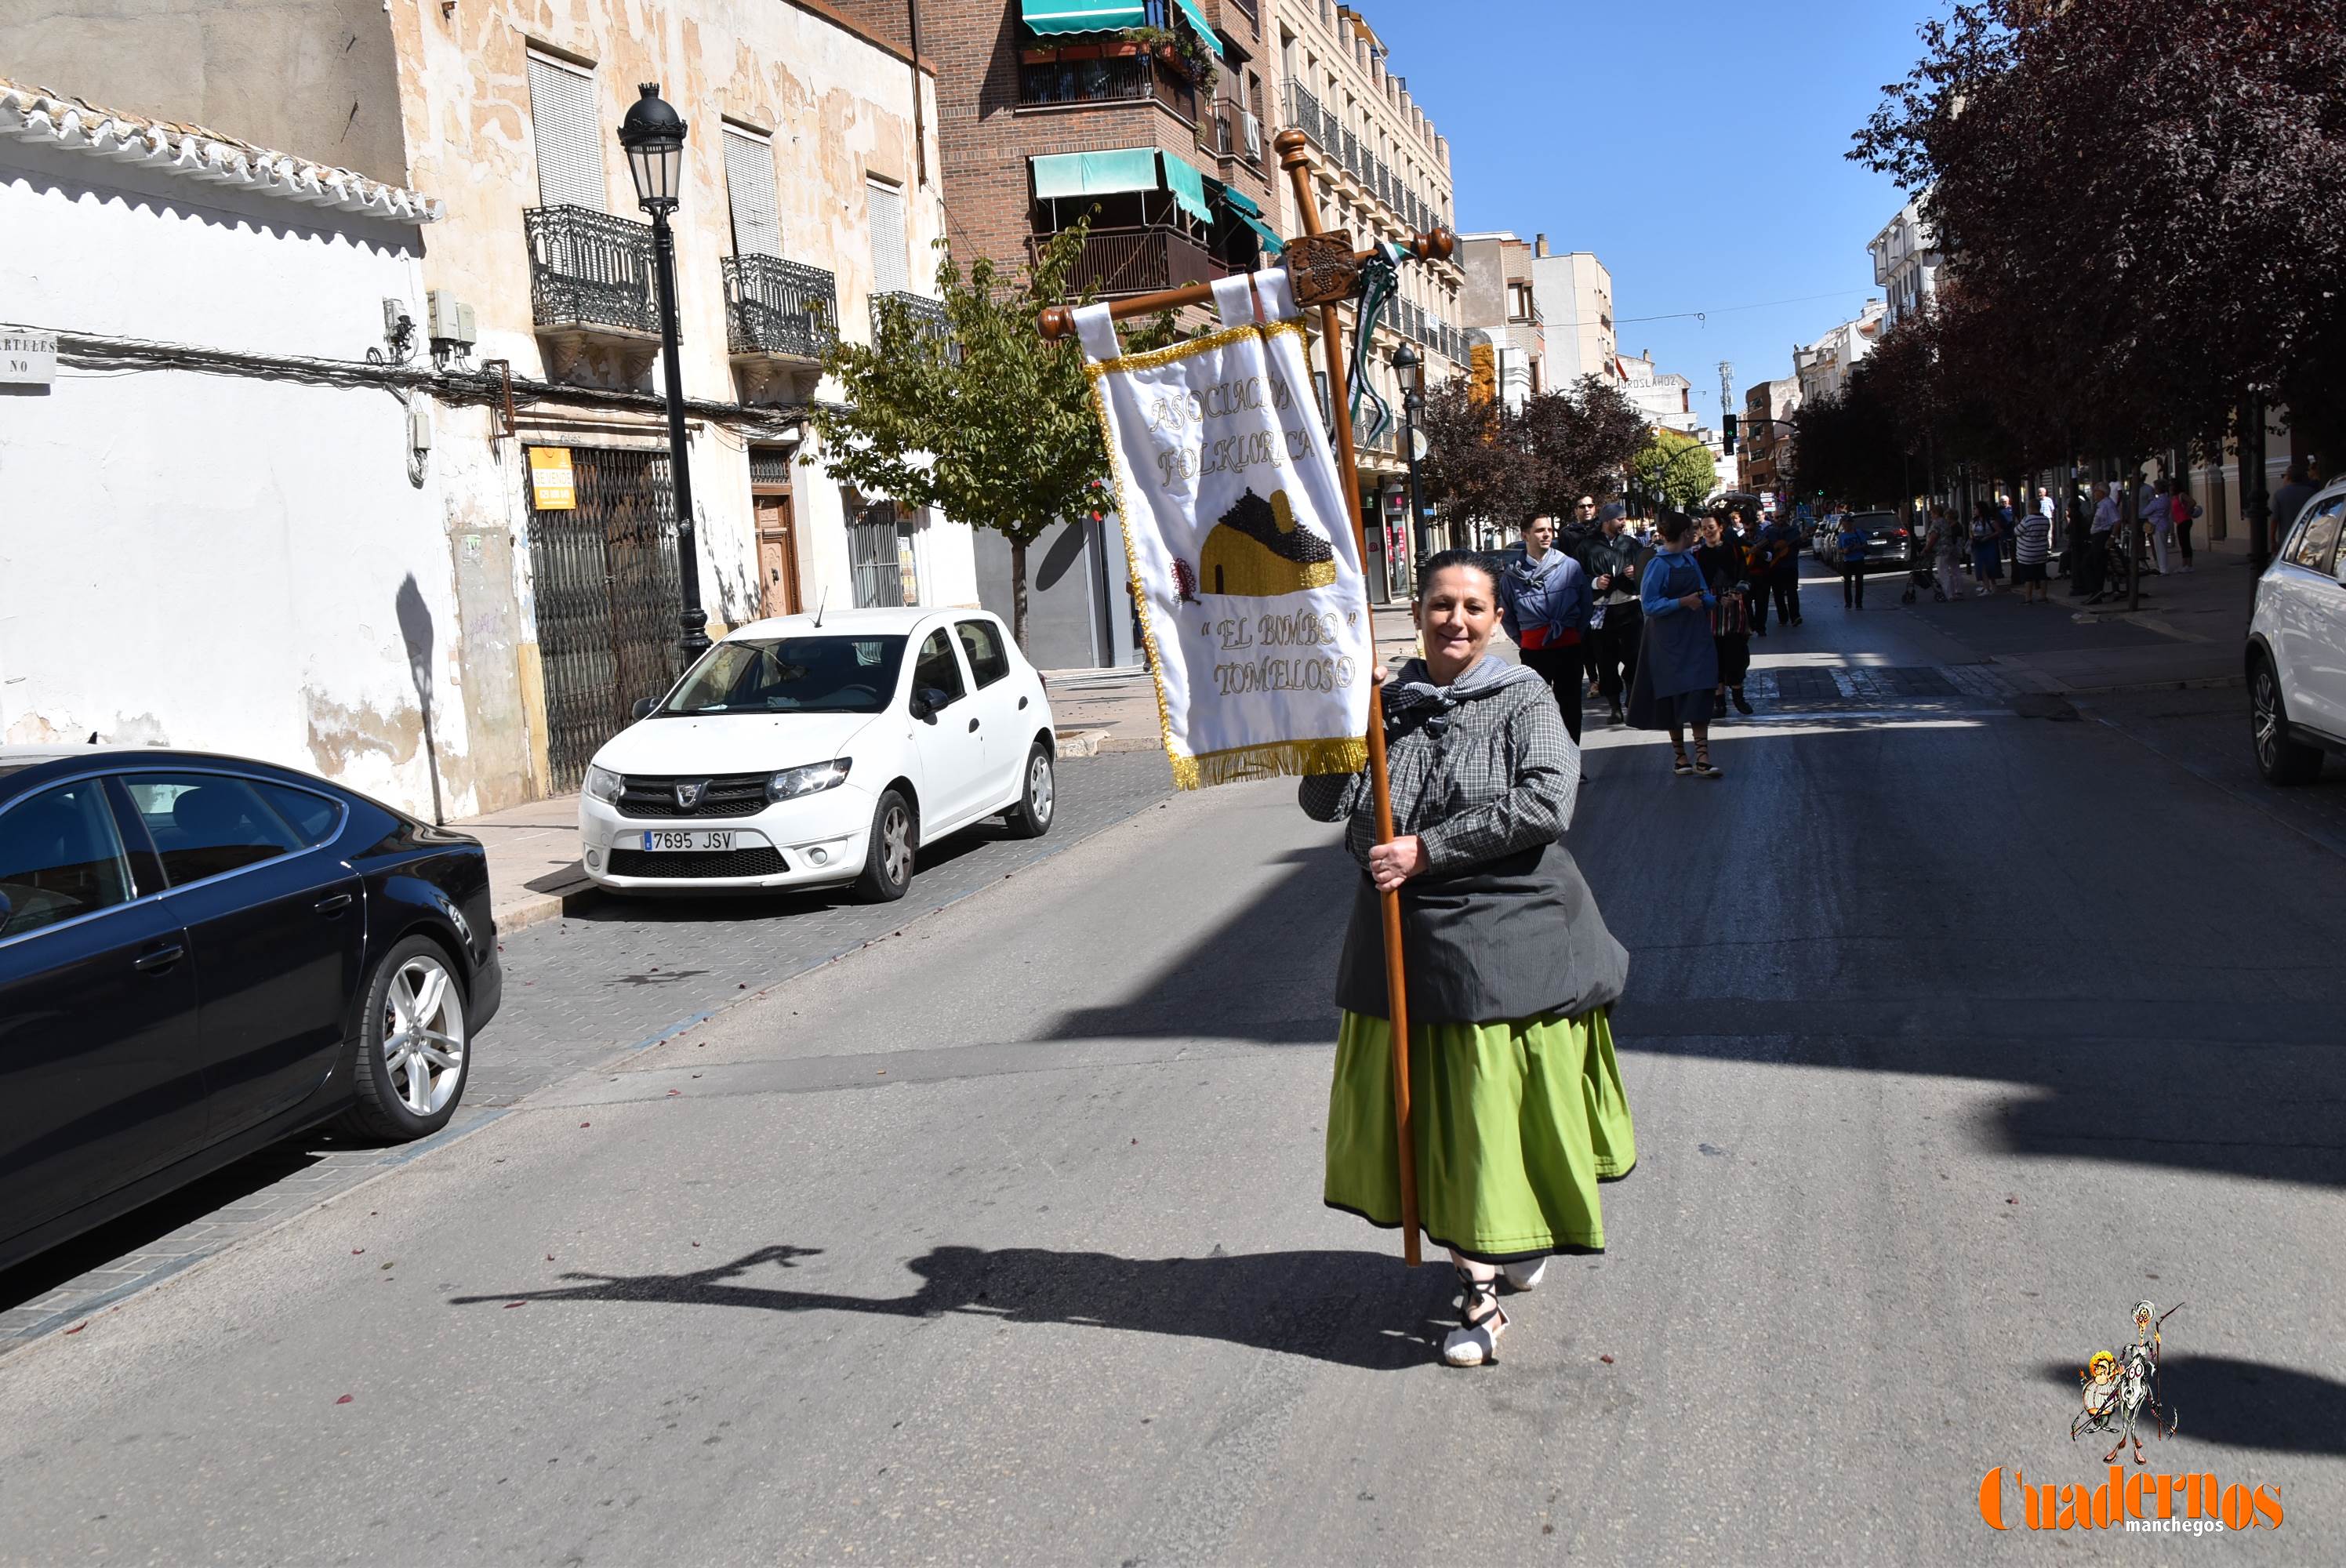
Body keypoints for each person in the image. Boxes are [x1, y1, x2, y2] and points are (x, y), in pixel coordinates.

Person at [1302, 550, 1634, 1370]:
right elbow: (1321, 802)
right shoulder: (1388, 702)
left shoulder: (1522, 696)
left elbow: (1548, 799)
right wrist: (1347, 717)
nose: (1455, 619)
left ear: (1496, 620)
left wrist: (1428, 848)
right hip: (1404, 943)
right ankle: (1485, 1265)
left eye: (1473, 607)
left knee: (1487, 1117)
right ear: (1417, 612)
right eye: (1441, 604)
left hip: (1507, 944)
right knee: (1440, 1120)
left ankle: (1484, 1285)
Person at [1625, 510, 1723, 778]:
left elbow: (1702, 592)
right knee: (1672, 693)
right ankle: (1680, 757)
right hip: (1666, 639)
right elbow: (1650, 604)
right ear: (1684, 534)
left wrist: (1716, 601)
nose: (1696, 535)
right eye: (1692, 531)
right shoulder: (1658, 565)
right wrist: (1682, 602)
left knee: (1701, 688)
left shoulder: (1690, 560)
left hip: (1695, 635)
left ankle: (1703, 757)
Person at [1499, 514, 1592, 742]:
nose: (1547, 534)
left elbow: (1585, 605)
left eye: (1550, 530)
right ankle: (1544, 762)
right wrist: (1523, 640)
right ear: (1525, 535)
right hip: (1534, 651)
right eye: (1540, 530)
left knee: (1570, 706)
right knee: (1536, 708)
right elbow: (1506, 614)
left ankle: (1572, 760)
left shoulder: (1569, 567)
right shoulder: (1512, 575)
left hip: (1568, 647)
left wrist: (1574, 634)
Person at [1575, 502, 1645, 724]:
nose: (1624, 523)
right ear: (1607, 521)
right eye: (1620, 519)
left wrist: (1636, 572)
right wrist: (1596, 582)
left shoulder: (1632, 545)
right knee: (1606, 661)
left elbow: (1647, 572)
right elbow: (1576, 578)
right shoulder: (1587, 547)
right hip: (1601, 611)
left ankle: (1632, 692)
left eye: (1624, 519)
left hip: (1630, 606)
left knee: (1635, 656)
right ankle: (1614, 707)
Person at [1697, 513, 1753, 716]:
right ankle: (1719, 702)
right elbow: (1696, 585)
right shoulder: (1698, 555)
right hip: (1710, 609)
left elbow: (1745, 577)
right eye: (1704, 528)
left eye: (1711, 527)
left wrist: (1738, 593)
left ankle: (1739, 697)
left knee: (1736, 654)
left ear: (1720, 527)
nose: (1707, 532)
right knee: (1714, 657)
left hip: (1733, 608)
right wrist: (1711, 599)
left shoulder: (1734, 551)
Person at [1756, 509, 1803, 630]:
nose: (1780, 519)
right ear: (1773, 518)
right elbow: (1762, 546)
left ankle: (1795, 617)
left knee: (1792, 591)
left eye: (1782, 516)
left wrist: (1802, 539)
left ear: (1786, 517)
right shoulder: (1769, 532)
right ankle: (1783, 618)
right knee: (1778, 594)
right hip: (1775, 567)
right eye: (1777, 517)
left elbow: (1800, 545)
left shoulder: (1794, 531)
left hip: (1791, 566)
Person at [2014, 495, 2053, 602]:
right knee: (2042, 575)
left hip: (2027, 554)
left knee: (2028, 577)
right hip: (2041, 552)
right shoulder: (2045, 520)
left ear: (2030, 507)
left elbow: (2017, 532)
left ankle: (2028, 598)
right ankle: (2043, 596)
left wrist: (2017, 524)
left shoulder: (2028, 519)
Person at [2085, 482, 2120, 601]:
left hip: (2102, 536)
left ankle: (2097, 590)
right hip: (2096, 537)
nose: (2094, 493)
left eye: (2096, 491)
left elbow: (2117, 521)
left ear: (2102, 493)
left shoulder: (2108, 504)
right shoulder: (2100, 505)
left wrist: (2112, 537)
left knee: (2093, 563)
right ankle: (2096, 591)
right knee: (2092, 563)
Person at [2272, 459, 2319, 541]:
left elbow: (2274, 520)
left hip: (2287, 539)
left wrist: (2272, 540)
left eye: (2285, 476)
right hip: (2307, 537)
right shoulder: (2311, 492)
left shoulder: (2279, 494)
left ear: (2288, 477)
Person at [1925, 503, 1963, 602]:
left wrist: (1927, 549)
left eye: (1932, 514)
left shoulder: (1936, 523)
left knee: (1943, 572)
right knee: (1953, 570)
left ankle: (1948, 594)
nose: (1931, 516)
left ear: (1936, 513)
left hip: (1940, 550)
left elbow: (1934, 537)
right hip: (1948, 548)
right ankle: (1956, 591)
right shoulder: (1945, 522)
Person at [1835, 511, 1870, 609]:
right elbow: (1839, 549)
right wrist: (1844, 551)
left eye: (1847, 524)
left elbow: (1865, 544)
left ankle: (1859, 603)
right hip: (1848, 561)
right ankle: (1848, 603)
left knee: (1859, 582)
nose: (1845, 526)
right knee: (1847, 583)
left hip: (1859, 559)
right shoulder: (1842, 536)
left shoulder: (1858, 532)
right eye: (1844, 525)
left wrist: (1857, 547)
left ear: (1851, 524)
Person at [1969, 500, 2004, 596]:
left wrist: (1988, 537)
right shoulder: (1974, 520)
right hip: (1978, 544)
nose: (1974, 510)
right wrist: (1972, 538)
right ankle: (1986, 587)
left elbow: (1999, 531)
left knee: (1990, 564)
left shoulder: (1990, 520)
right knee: (1981, 566)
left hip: (1989, 543)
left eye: (1976, 508)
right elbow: (1971, 531)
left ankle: (1993, 584)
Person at [2147, 478, 2174, 575]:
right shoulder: (2166, 499)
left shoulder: (2158, 501)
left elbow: (2146, 511)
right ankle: (2163, 567)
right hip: (2164, 523)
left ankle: (2163, 569)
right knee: (2162, 547)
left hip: (2158, 525)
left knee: (2160, 548)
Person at [2170, 482, 2199, 572]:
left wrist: (2186, 511)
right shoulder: (2173, 497)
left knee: (2185, 542)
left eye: (2171, 486)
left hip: (2185, 521)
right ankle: (2184, 564)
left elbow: (2192, 502)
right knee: (2182, 543)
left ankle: (2189, 565)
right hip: (2179, 522)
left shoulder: (2181, 495)